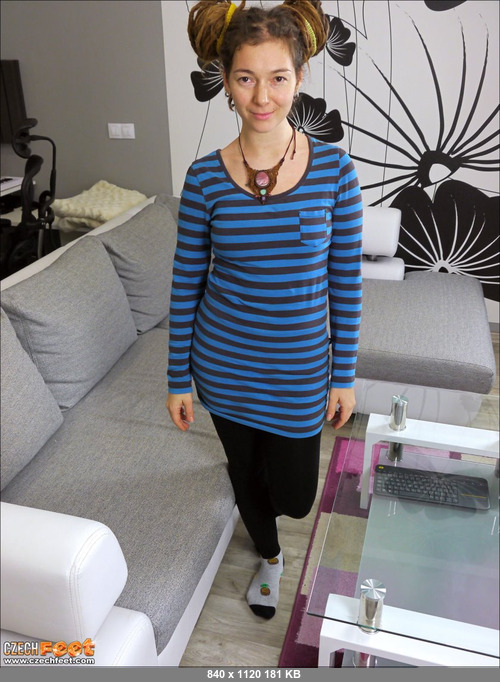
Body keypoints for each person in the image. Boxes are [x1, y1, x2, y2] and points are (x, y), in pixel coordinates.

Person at [166, 0, 362, 620]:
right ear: (225, 81)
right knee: (244, 470)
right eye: (246, 77)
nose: (262, 96)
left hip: (300, 371)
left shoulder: (335, 172)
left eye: (277, 77)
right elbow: (186, 282)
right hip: (223, 365)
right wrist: (178, 378)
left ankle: (272, 521)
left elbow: (346, 282)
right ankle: (269, 557)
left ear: (300, 77)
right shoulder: (204, 178)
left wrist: (343, 374)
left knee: (297, 496)